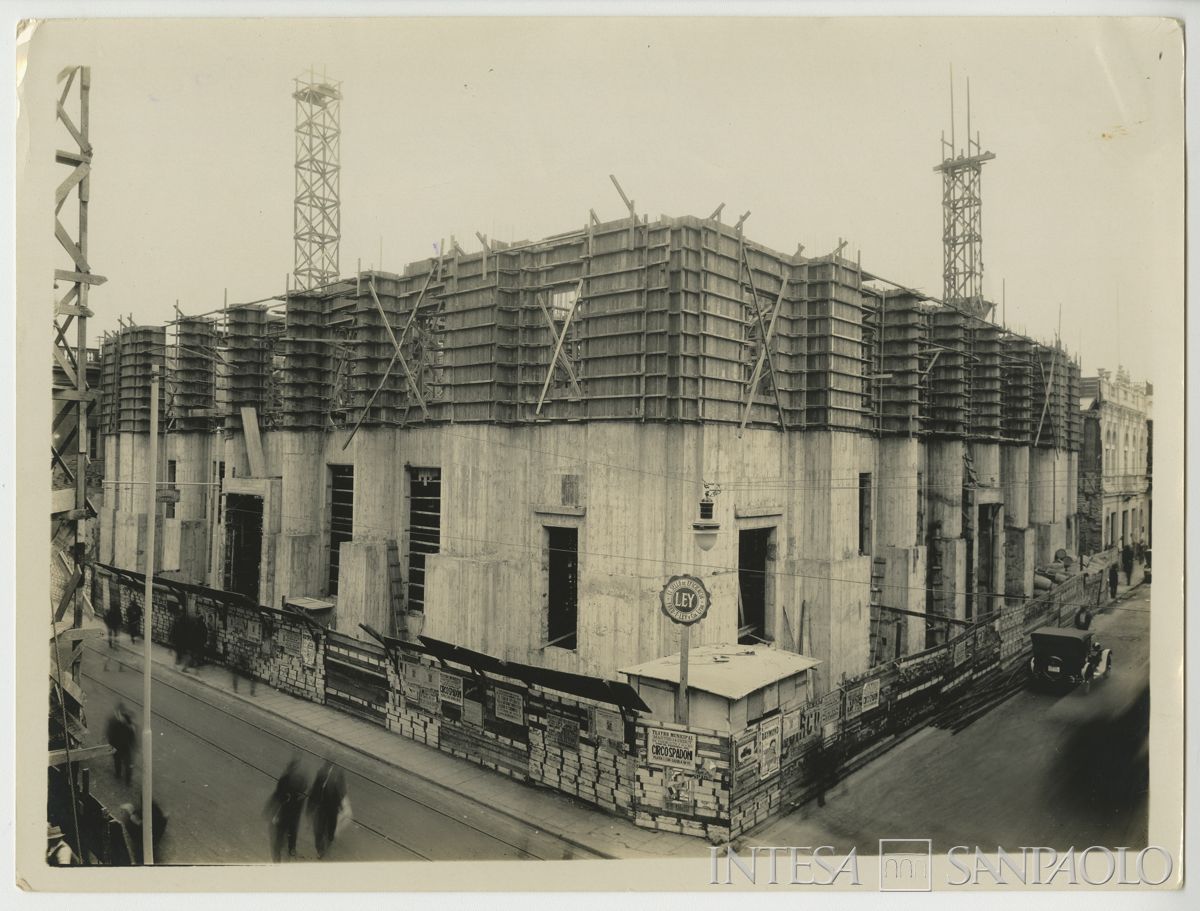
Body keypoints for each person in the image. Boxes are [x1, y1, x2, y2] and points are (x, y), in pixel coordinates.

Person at [266, 757, 307, 862]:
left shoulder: (289, 780)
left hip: (286, 814)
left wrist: (271, 806)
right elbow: (278, 795)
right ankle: (288, 851)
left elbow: (277, 795)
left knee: (285, 835)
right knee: (290, 833)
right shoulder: (292, 781)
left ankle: (284, 853)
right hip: (289, 815)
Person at [307, 761, 347, 858]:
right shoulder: (321, 773)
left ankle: (329, 838)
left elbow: (343, 790)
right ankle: (320, 850)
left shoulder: (338, 774)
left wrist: (340, 803)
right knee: (319, 830)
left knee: (331, 827)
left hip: (333, 806)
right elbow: (315, 788)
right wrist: (310, 805)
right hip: (322, 806)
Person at [122, 799, 168, 865]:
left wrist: (131, 811)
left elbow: (136, 821)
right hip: (152, 837)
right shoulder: (159, 819)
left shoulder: (144, 825)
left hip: (144, 838)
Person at [106, 703, 136, 786]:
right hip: (117, 745)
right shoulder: (113, 721)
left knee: (128, 765)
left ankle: (128, 781)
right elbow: (110, 733)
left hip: (126, 747)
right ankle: (118, 774)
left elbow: (132, 733)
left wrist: (132, 744)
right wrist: (111, 744)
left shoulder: (128, 721)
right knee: (117, 761)